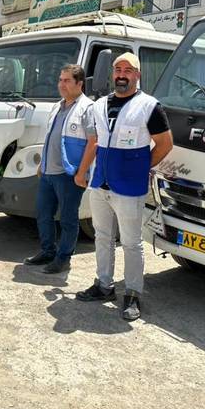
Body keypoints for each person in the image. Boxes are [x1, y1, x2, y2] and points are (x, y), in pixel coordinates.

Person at [73, 53, 174, 321]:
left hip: (129, 187)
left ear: (137, 75)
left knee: (131, 242)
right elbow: (95, 142)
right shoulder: (99, 105)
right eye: (118, 69)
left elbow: (165, 144)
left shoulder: (149, 106)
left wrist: (141, 167)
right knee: (102, 237)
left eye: (128, 70)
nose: (121, 74)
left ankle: (132, 293)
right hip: (100, 184)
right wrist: (83, 171)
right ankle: (104, 285)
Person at [24, 64, 93, 274]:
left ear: (79, 84)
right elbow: (50, 138)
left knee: (68, 219)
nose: (61, 85)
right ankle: (47, 251)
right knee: (43, 214)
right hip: (48, 173)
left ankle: (63, 258)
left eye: (67, 80)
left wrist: (82, 172)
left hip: (69, 174)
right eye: (60, 80)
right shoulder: (57, 106)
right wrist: (42, 164)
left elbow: (93, 142)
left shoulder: (87, 108)